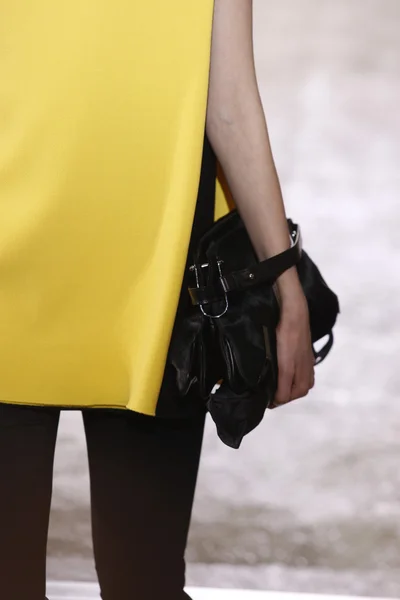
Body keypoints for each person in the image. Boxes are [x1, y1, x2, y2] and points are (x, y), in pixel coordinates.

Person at [0, 1, 315, 598]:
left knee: (144, 579)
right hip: (38, 268)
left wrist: (283, 277)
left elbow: (229, 98)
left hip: (159, 288)